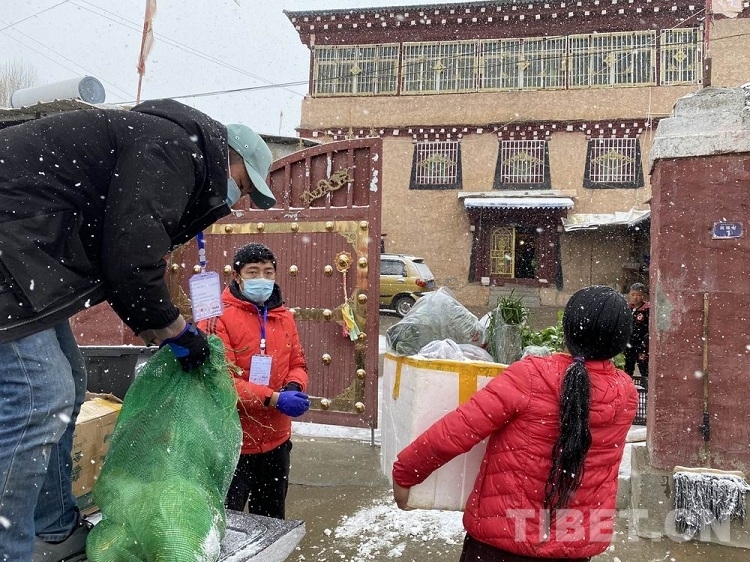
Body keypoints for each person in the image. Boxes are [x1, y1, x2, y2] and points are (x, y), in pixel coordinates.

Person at [0, 98, 276, 562]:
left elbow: (121, 256)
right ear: (230, 158)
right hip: (13, 240)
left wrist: (160, 326)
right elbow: (132, 258)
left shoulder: (164, 145)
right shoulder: (173, 149)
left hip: (27, 249)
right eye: (243, 186)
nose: (236, 200)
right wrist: (174, 330)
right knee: (38, 396)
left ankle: (53, 528)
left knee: (70, 385)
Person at [392, 285, 637, 561]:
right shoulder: (625, 393)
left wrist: (406, 472)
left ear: (568, 329)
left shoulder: (530, 376)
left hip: (501, 543)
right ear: (621, 341)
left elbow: (458, 430)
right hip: (573, 545)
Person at [198, 242, 310, 519]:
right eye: (253, 272)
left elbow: (298, 363)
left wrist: (294, 386)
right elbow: (219, 381)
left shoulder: (283, 317)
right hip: (232, 443)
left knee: (271, 519)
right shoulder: (215, 316)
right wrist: (274, 398)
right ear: (237, 276)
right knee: (225, 522)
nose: (262, 278)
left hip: (276, 440)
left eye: (268, 272)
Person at [624, 282, 650, 388]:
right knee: (627, 368)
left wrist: (645, 340)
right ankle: (627, 388)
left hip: (642, 346)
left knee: (644, 368)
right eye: (633, 294)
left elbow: (650, 327)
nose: (635, 297)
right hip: (629, 344)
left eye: (638, 295)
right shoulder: (627, 309)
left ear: (643, 295)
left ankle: (646, 389)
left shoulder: (647, 310)